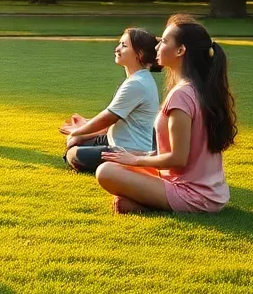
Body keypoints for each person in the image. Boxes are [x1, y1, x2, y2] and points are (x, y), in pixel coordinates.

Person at [95, 14, 237, 214]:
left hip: (194, 194)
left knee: (105, 172)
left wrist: (136, 161)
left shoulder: (182, 95)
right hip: (211, 193)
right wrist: (134, 155)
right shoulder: (199, 89)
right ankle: (143, 203)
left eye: (163, 41)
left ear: (180, 50)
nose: (156, 47)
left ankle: (149, 205)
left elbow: (178, 159)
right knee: (115, 163)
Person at [60, 28, 162, 174]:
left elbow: (108, 119)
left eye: (124, 46)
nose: (117, 48)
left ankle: (134, 163)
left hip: (127, 150)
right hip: (117, 140)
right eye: (119, 44)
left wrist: (77, 133)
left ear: (139, 54)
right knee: (80, 142)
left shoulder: (137, 83)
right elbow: (114, 119)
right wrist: (85, 127)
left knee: (74, 154)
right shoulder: (139, 79)